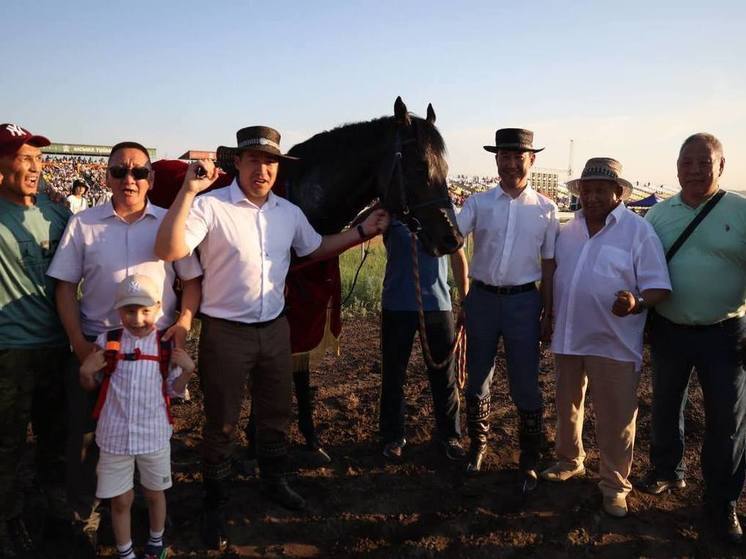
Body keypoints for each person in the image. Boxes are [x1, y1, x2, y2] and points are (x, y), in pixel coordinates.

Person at [154, 125, 389, 549]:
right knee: (221, 422)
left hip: (275, 329)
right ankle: (215, 499)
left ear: (278, 168)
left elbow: (314, 249)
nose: (263, 170)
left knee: (275, 414)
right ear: (238, 164)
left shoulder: (288, 213)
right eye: (255, 160)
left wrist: (362, 232)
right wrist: (187, 194)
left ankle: (274, 480)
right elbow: (170, 249)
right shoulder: (210, 207)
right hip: (226, 332)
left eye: (271, 162)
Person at [47, 141, 202, 542]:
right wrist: (81, 347)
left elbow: (192, 282)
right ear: (107, 177)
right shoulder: (85, 224)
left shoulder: (169, 222)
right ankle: (86, 517)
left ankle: (145, 515)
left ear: (150, 178)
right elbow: (64, 287)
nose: (128, 179)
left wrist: (183, 324)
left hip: (153, 352)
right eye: (119, 171)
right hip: (99, 349)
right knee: (85, 437)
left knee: (149, 432)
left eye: (137, 172)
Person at [540, 158, 671, 517]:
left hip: (614, 341)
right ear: (579, 192)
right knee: (567, 405)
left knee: (616, 416)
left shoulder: (637, 231)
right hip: (569, 335)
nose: (592, 196)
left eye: (601, 189)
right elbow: (554, 273)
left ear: (619, 193)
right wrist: (547, 314)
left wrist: (636, 303)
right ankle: (569, 460)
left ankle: (614, 484)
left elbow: (659, 287)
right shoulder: (568, 230)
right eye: (587, 189)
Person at [642, 133, 746, 543]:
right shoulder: (658, 215)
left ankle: (722, 503)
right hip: (669, 329)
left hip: (726, 332)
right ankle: (668, 470)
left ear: (721, 166)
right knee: (666, 404)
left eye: (704, 162)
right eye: (687, 162)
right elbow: (642, 268)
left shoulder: (741, 211)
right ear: (676, 166)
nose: (695, 169)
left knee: (728, 421)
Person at [456, 128, 559, 487]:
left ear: (532, 160)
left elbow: (549, 265)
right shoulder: (477, 203)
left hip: (524, 303)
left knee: (526, 382)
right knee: (476, 378)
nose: (511, 163)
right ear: (496, 160)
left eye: (519, 156)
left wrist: (548, 311)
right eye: (504, 156)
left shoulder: (548, 210)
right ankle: (477, 446)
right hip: (482, 299)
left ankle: (529, 457)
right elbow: (453, 238)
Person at [79, 274, 195, 559]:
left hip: (153, 435)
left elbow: (173, 390)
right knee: (120, 499)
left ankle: (156, 543)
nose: (137, 318)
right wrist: (85, 372)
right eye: (129, 310)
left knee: (155, 493)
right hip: (114, 436)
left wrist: (188, 371)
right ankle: (125, 551)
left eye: (145, 311)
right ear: (119, 310)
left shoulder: (165, 346)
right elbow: (91, 385)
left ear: (158, 307)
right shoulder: (108, 341)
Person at [0, 123, 71, 557]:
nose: (35, 167)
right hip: (7, 352)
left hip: (57, 347)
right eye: (24, 158)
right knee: (5, 445)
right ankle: (5, 519)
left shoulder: (56, 212)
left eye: (38, 158)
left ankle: (55, 513)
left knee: (56, 438)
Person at [379, 218, 468, 462]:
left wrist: (465, 299)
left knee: (444, 376)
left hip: (437, 306)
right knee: (393, 375)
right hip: (396, 305)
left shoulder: (440, 215)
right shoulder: (390, 214)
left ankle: (450, 435)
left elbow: (458, 257)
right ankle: (392, 436)